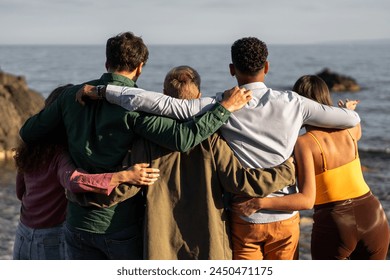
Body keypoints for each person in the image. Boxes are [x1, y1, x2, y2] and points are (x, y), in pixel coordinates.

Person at [77, 37, 361, 260]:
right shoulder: (295, 103)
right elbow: (349, 120)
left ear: (231, 70)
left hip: (245, 216)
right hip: (286, 217)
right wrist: (348, 113)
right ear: (267, 67)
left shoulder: (220, 105)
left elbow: (165, 105)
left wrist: (104, 91)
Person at [19, 32, 252, 260]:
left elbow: (29, 132)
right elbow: (183, 138)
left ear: (107, 62)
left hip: (77, 223)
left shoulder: (71, 95)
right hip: (118, 223)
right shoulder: (136, 105)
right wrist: (225, 108)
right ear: (140, 67)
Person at [131, 65, 296, 259]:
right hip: (208, 241)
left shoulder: (147, 137)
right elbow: (240, 181)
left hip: (161, 243)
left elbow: (126, 186)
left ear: (164, 95)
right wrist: (287, 170)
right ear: (200, 96)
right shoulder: (212, 138)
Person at [233, 75, 390, 260]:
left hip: (336, 222)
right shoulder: (351, 130)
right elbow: (355, 125)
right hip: (373, 216)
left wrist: (258, 203)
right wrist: (344, 112)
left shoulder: (304, 144)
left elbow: (306, 201)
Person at [12, 85, 160, 260]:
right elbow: (75, 181)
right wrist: (124, 175)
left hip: (22, 234)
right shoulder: (61, 155)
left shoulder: (30, 148)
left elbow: (20, 192)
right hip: (50, 238)